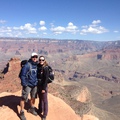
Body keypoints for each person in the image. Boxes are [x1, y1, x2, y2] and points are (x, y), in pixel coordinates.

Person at [19, 52, 38, 120]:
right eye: (33, 57)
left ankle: (31, 108)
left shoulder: (36, 65)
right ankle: (21, 112)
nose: (35, 58)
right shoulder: (27, 65)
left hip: (34, 85)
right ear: (31, 57)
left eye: (36, 57)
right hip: (28, 85)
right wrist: (25, 84)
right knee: (24, 98)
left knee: (33, 97)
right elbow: (22, 75)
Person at [37, 56, 49, 120]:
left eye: (42, 60)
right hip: (38, 86)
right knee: (40, 99)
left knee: (44, 100)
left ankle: (44, 114)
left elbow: (46, 79)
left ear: (44, 60)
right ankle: (40, 110)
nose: (41, 61)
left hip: (43, 86)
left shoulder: (45, 68)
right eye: (40, 60)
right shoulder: (38, 66)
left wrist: (44, 88)